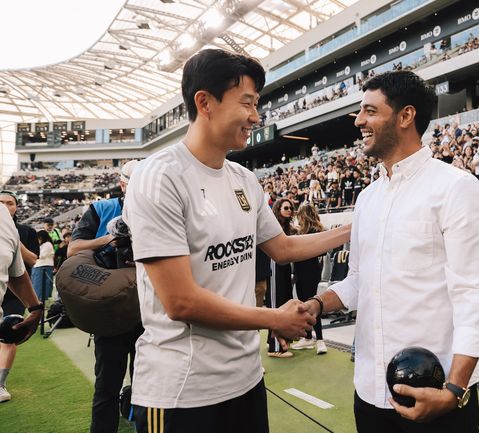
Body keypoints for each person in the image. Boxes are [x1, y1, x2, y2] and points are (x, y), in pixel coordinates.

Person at [122, 49, 350, 433]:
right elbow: (180, 301)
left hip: (246, 380)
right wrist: (274, 318)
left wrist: (353, 229)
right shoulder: (159, 177)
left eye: (256, 104)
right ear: (204, 103)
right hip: (181, 391)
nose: (255, 117)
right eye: (246, 103)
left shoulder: (244, 179)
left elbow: (283, 248)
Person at [303, 70, 479, 433]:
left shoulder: (456, 188)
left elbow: (475, 295)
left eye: (370, 111)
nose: (358, 121)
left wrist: (454, 390)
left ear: (406, 116)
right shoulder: (367, 198)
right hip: (370, 394)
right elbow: (358, 281)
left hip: (437, 395)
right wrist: (316, 305)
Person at [68, 159, 142, 433]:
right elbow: (73, 249)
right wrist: (110, 237)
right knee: (107, 385)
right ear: (123, 185)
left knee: (148, 384)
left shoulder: (162, 206)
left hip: (149, 308)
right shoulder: (102, 209)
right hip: (111, 310)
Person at [0, 191, 39, 403]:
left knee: (9, 333)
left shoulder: (26, 231)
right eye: (1, 202)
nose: (5, 206)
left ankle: (0, 382)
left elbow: (32, 261)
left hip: (15, 292)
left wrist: (14, 241)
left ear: (16, 207)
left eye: (10, 203)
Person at [291, 204, 327, 354]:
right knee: (304, 303)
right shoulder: (303, 231)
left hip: (309, 271)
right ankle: (307, 337)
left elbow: (322, 252)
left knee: (311, 305)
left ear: (304, 215)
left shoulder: (313, 231)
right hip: (302, 270)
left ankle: (320, 340)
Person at [267, 198, 296, 358]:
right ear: (278, 210)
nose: (289, 210)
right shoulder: (274, 226)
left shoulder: (287, 227)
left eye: (290, 208)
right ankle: (275, 348)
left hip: (284, 266)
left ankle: (279, 341)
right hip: (274, 265)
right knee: (276, 302)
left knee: (285, 299)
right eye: (286, 208)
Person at [32, 230, 55, 301]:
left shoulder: (48, 244)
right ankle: (38, 299)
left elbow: (41, 255)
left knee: (40, 286)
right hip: (38, 266)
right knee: (36, 285)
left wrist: (32, 254)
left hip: (43, 266)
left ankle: (40, 299)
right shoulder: (42, 245)